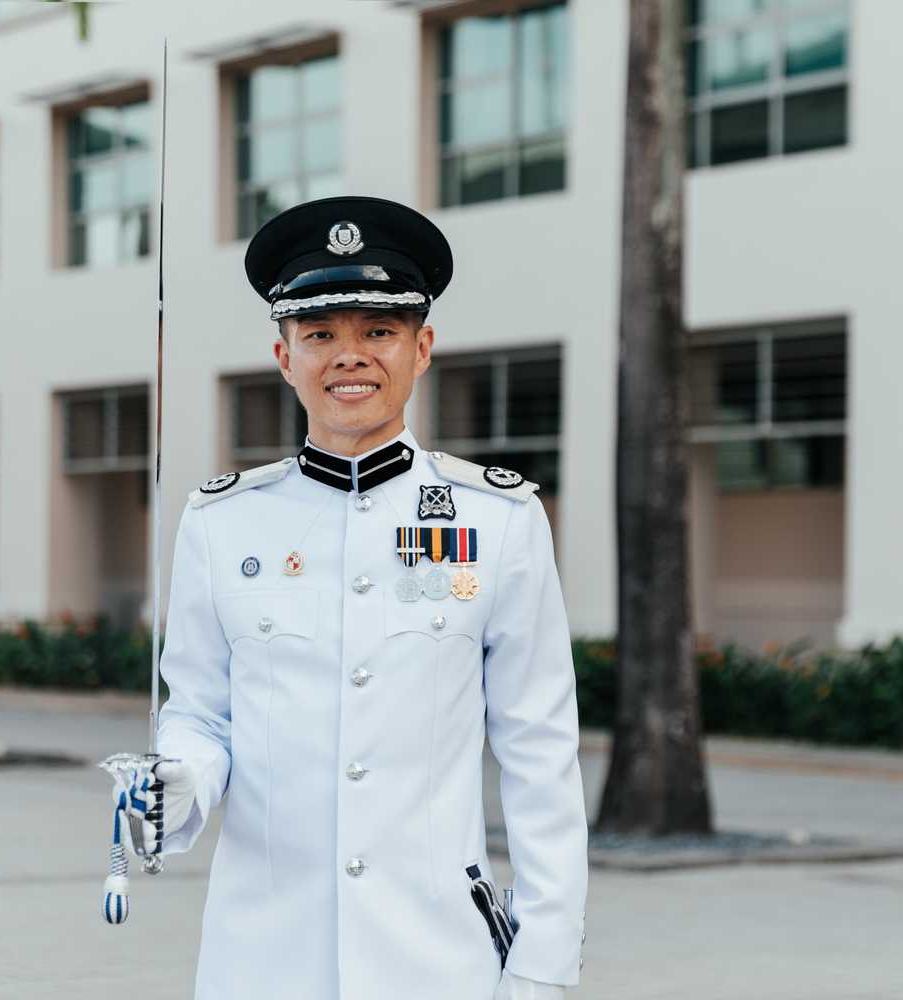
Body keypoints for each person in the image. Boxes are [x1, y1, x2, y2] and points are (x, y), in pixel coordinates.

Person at [129, 196, 587, 1000]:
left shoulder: (500, 521)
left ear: (423, 349)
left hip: (438, 959)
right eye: (321, 336)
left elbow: (540, 756)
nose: (350, 357)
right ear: (283, 355)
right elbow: (199, 711)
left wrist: (543, 966)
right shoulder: (222, 524)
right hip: (264, 957)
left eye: (378, 331)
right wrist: (179, 781)